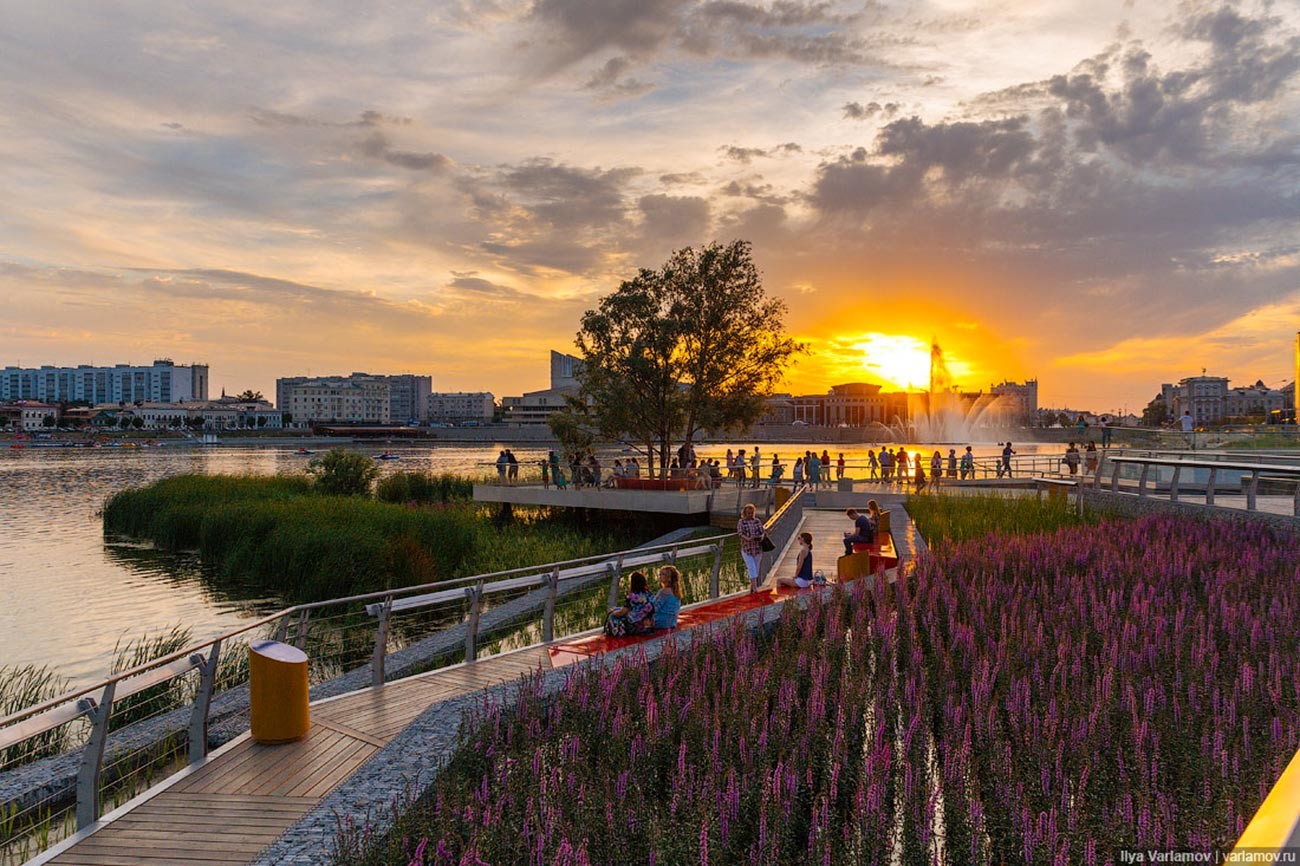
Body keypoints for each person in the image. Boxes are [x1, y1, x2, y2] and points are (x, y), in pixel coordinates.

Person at [604, 571, 655, 637]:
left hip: (634, 625)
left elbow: (623, 612)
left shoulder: (632, 597)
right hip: (646, 622)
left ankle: (619, 632)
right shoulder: (648, 594)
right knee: (616, 609)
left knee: (611, 615)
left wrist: (612, 613)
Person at [737, 503, 767, 594]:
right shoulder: (742, 522)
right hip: (747, 549)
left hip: (757, 548)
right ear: (745, 513)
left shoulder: (757, 521)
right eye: (748, 513)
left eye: (751, 513)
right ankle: (754, 588)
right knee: (751, 568)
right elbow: (740, 533)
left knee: (756, 568)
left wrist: (761, 536)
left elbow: (762, 531)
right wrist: (748, 538)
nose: (750, 515)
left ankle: (752, 587)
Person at [653, 565, 682, 629]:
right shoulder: (676, 591)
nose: (659, 576)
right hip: (672, 622)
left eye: (662, 574)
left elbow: (655, 608)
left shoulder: (664, 592)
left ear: (669, 578)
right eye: (660, 573)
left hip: (661, 622)